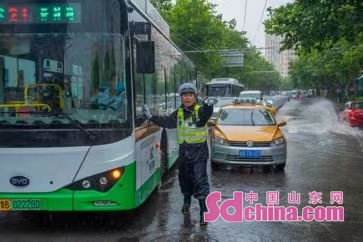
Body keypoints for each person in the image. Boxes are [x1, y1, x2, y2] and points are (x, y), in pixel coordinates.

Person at [142, 83, 217, 225]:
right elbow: (167, 122)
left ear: (195, 97)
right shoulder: (179, 113)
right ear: (181, 97)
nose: (187, 98)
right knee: (184, 179)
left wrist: (208, 105)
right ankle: (186, 202)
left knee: (200, 180)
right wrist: (151, 117)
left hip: (199, 152)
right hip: (184, 152)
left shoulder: (200, 111)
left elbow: (206, 115)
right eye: (184, 95)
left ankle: (203, 212)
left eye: (190, 95)